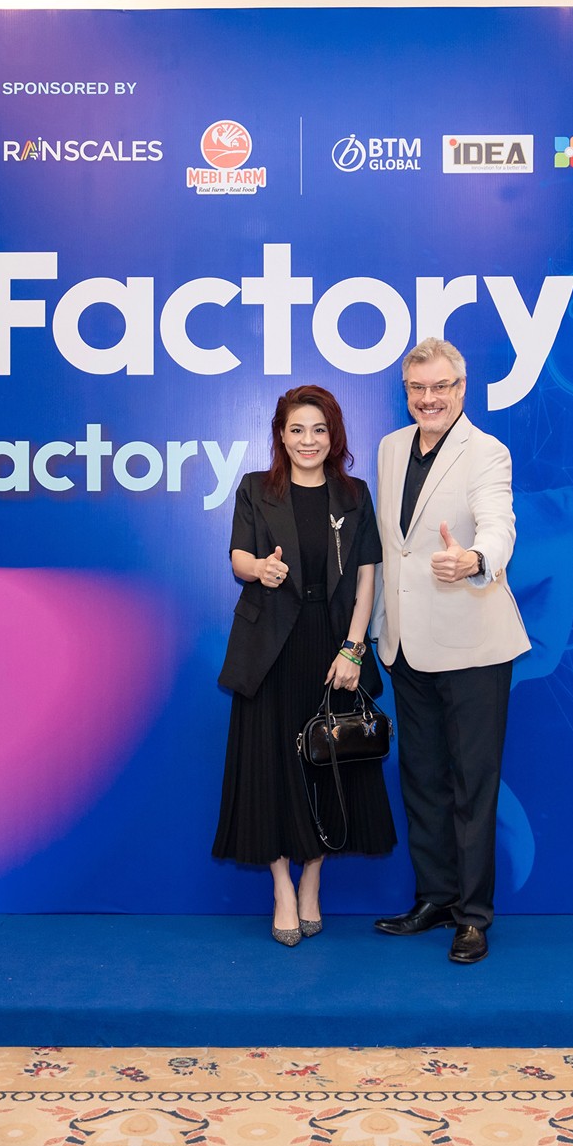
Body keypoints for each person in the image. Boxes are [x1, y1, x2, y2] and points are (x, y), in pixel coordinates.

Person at [214, 384, 396, 945]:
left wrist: (353, 648)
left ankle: (312, 879)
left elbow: (367, 578)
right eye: (297, 430)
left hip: (331, 645)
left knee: (327, 763)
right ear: (281, 434)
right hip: (269, 646)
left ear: (333, 435)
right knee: (271, 767)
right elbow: (239, 556)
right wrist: (259, 570)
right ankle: (282, 889)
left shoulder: (354, 495)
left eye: (318, 430)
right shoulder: (256, 488)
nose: (308, 440)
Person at [371, 337, 530, 964]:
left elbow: (499, 524)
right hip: (406, 646)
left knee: (473, 784)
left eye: (441, 387)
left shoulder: (487, 452)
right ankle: (435, 897)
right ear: (406, 392)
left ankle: (473, 916)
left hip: (473, 647)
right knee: (422, 780)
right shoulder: (390, 449)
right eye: (418, 388)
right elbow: (394, 548)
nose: (429, 398)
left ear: (461, 389)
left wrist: (476, 559)